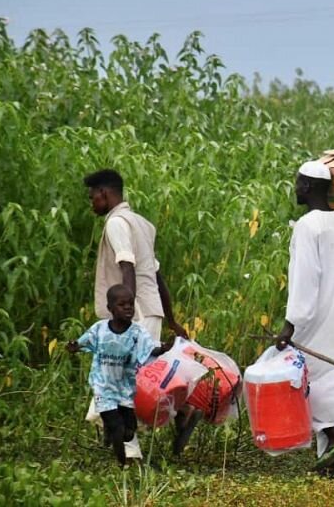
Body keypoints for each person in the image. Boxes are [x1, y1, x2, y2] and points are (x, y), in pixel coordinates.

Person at [83, 169, 198, 457]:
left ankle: (130, 450)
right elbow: (157, 277)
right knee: (139, 378)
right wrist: (170, 319)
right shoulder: (142, 224)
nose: (91, 203)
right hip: (151, 310)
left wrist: (125, 317)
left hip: (134, 314)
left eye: (92, 197)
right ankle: (182, 412)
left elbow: (127, 268)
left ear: (105, 194)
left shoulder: (116, 224)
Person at [274, 160, 334, 477]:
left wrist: (291, 324)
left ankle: (333, 434)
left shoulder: (307, 226)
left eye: (299, 182)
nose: (295, 187)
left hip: (314, 316)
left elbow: (305, 277)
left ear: (310, 187)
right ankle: (331, 462)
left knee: (305, 382)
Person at [67, 284, 173, 466]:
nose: (127, 308)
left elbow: (150, 349)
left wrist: (163, 349)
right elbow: (82, 343)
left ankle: (109, 432)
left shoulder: (137, 333)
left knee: (129, 430)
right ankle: (122, 463)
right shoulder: (100, 329)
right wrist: (74, 347)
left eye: (130, 304)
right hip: (103, 386)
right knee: (117, 427)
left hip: (125, 387)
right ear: (110, 309)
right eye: (122, 305)